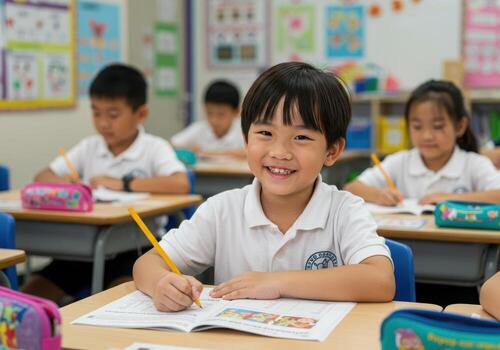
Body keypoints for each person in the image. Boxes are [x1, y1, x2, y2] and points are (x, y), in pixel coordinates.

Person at [133, 62, 395, 312]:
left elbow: (380, 280)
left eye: (301, 137)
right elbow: (147, 263)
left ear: (332, 150)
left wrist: (276, 282)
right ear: (246, 139)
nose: (280, 152)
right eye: (265, 134)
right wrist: (160, 284)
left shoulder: (344, 210)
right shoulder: (222, 210)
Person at [22, 63, 189, 304]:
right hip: (82, 247)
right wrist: (69, 185)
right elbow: (43, 176)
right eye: (95, 112)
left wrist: (123, 183)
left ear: (140, 114)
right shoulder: (90, 146)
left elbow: (180, 183)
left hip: (136, 250)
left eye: (113, 114)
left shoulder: (154, 147)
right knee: (27, 297)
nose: (103, 123)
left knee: (126, 302)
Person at [344, 80, 500, 206]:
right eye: (417, 127)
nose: (427, 136)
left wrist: (450, 199)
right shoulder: (400, 162)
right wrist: (380, 195)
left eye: (438, 126)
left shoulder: (473, 164)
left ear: (460, 127)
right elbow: (351, 188)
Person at [171, 80, 245, 158]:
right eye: (209, 113)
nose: (214, 120)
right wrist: (186, 150)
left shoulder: (244, 131)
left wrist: (205, 153)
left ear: (236, 112)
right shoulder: (199, 128)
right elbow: (170, 145)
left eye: (221, 114)